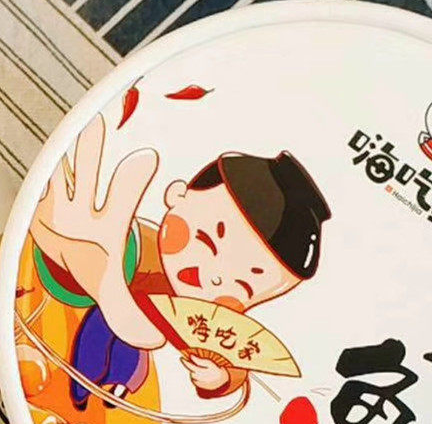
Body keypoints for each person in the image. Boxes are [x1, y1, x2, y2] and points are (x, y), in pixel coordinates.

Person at [29, 115, 331, 408]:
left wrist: (220, 378)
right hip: (51, 336)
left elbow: (235, 348)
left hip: (121, 363)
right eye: (206, 241)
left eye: (242, 287)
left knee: (127, 355)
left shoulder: (202, 319)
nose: (215, 277)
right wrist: (85, 266)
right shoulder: (133, 244)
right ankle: (83, 388)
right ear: (178, 195)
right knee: (96, 340)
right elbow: (75, 261)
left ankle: (112, 385)